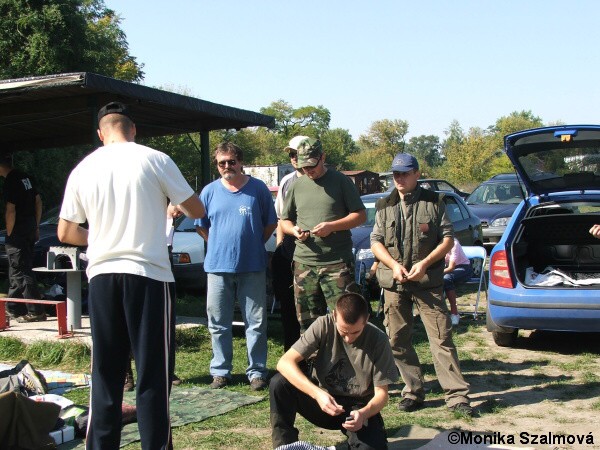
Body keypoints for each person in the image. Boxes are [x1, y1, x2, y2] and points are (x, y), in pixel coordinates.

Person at [57, 101, 205, 449]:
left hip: (104, 274)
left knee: (105, 374)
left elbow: (65, 232)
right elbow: (196, 208)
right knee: (153, 374)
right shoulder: (155, 158)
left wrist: (101, 235)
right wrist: (171, 203)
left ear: (100, 133)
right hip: (148, 274)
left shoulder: (83, 168)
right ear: (133, 129)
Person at [370, 152, 472, 415]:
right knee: (397, 340)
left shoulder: (435, 201)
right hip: (394, 282)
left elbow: (447, 239)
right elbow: (376, 241)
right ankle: (413, 391)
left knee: (441, 338)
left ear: (417, 173)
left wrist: (424, 263)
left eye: (405, 173)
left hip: (427, 282)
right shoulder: (384, 204)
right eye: (395, 174)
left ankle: (457, 396)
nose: (399, 178)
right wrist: (393, 266)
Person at [196, 142, 277, 391]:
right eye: (222, 163)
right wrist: (218, 244)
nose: (227, 167)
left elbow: (270, 224)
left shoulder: (257, 189)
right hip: (218, 268)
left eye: (231, 161)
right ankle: (221, 371)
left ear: (240, 162)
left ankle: (256, 372)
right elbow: (201, 225)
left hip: (252, 266)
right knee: (218, 323)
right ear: (217, 165)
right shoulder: (209, 192)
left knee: (256, 323)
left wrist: (252, 244)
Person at [270, 292, 398, 449]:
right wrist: (317, 393)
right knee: (279, 383)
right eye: (343, 332)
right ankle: (284, 445)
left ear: (366, 320)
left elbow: (382, 395)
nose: (349, 339)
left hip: (357, 408)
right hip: (322, 400)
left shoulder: (379, 340)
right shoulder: (323, 324)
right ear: (334, 315)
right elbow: (284, 363)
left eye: (355, 332)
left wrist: (363, 414)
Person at [280, 137, 366, 332]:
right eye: (304, 167)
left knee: (345, 320)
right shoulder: (296, 185)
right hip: (304, 263)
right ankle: (314, 362)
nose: (308, 171)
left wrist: (332, 226)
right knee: (308, 323)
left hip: (336, 262)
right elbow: (284, 221)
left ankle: (344, 360)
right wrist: (293, 230)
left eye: (312, 165)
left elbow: (360, 216)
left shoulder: (341, 181)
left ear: (323, 157)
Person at [0, 154, 46, 323]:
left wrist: (10, 233)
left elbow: (10, 209)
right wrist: (36, 225)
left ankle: (36, 311)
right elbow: (38, 201)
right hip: (29, 228)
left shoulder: (10, 181)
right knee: (15, 269)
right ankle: (13, 308)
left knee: (21, 270)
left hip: (17, 231)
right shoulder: (26, 177)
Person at [272, 137, 305, 350]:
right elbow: (280, 221)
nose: (294, 158)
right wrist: (279, 249)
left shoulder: (328, 180)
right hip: (289, 248)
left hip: (315, 252)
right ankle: (291, 356)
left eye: (298, 153)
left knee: (311, 309)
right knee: (288, 307)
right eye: (291, 154)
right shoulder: (287, 181)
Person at [443, 238, 473, 326]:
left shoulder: (454, 243)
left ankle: (454, 313)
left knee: (446, 278)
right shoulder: (436, 243)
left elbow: (451, 267)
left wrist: (437, 273)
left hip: (463, 268)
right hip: (447, 267)